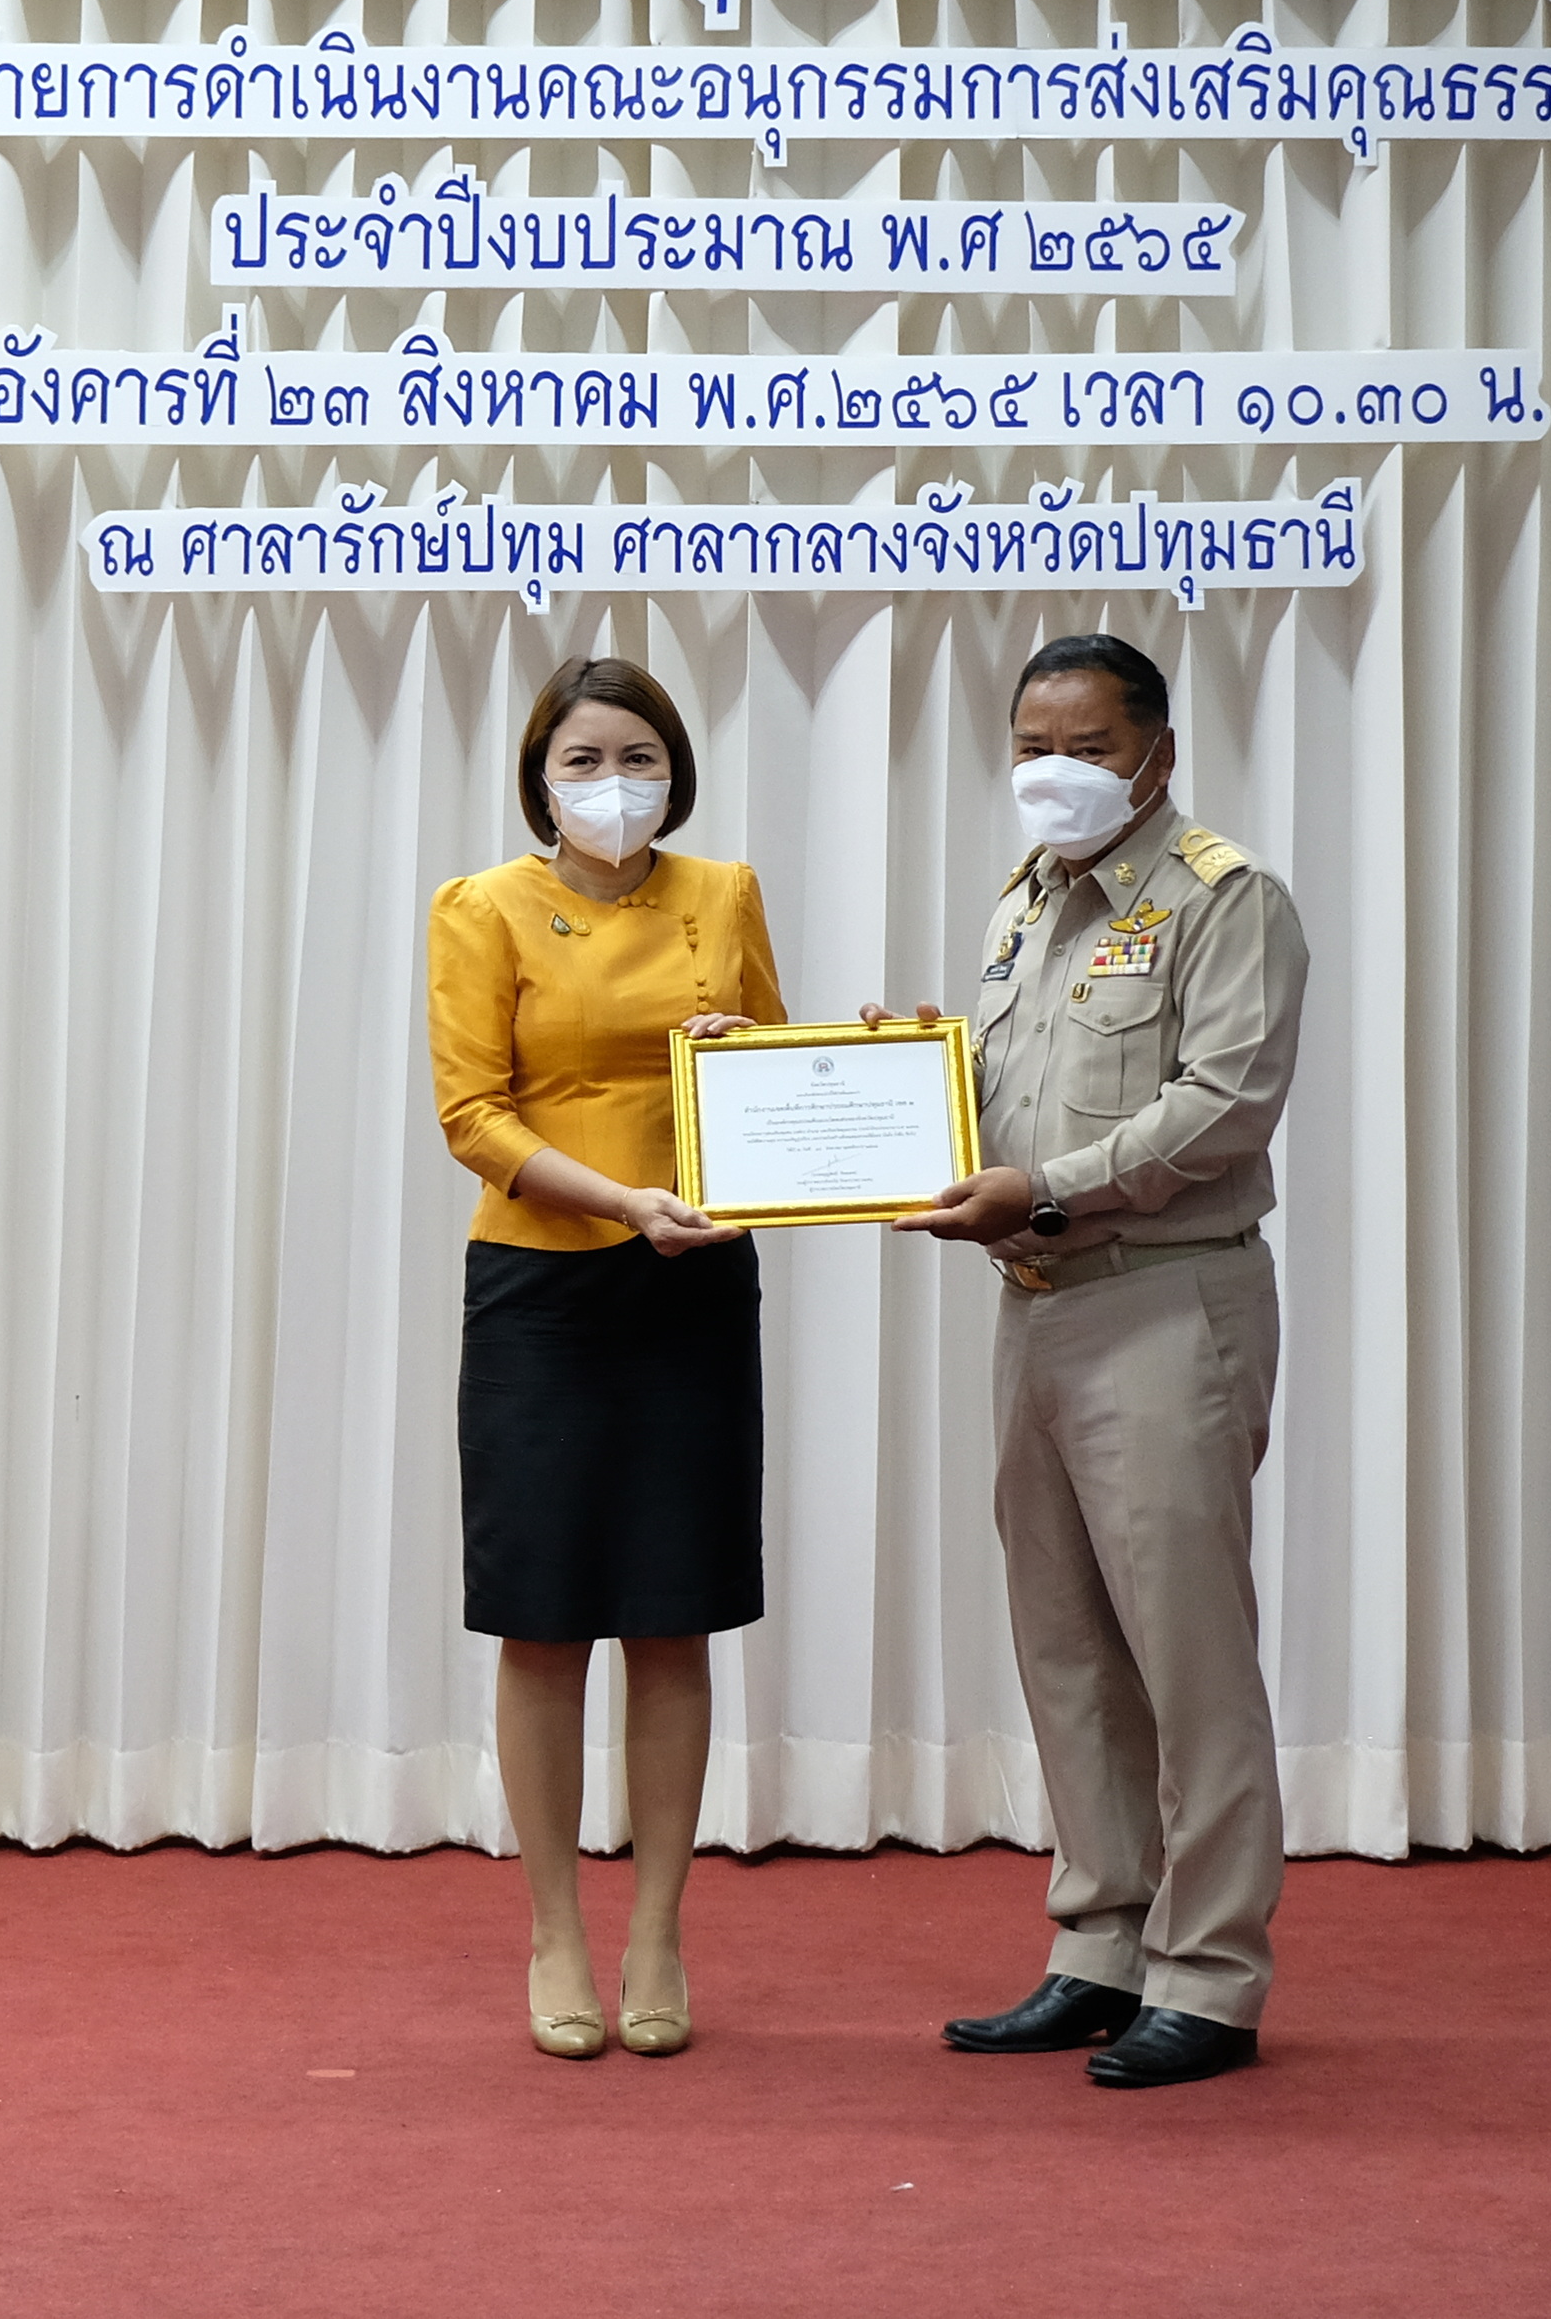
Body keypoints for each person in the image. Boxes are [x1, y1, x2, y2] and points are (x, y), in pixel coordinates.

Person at [885, 631, 1308, 2091]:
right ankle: (1101, 1944)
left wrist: (1047, 1186)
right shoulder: (1027, 901)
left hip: (1163, 1296)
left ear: (1157, 753)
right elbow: (1005, 1088)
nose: (1051, 771)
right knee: (1067, 1644)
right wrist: (896, 1084)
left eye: (1084, 743)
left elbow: (1225, 1105)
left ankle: (1211, 1971)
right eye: (1029, 745)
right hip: (1036, 1298)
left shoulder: (1223, 896)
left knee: (1187, 1653)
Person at [424, 656, 782, 2063]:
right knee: (542, 1614)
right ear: (539, 777)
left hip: (697, 1279)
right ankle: (556, 1927)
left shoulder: (726, 894)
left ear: (674, 769)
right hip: (542, 1286)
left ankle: (659, 1933)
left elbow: (774, 1070)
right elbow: (472, 1112)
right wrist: (624, 1199)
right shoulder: (481, 907)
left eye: (636, 755)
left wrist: (746, 1050)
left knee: (673, 1611)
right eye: (581, 759)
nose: (611, 783)